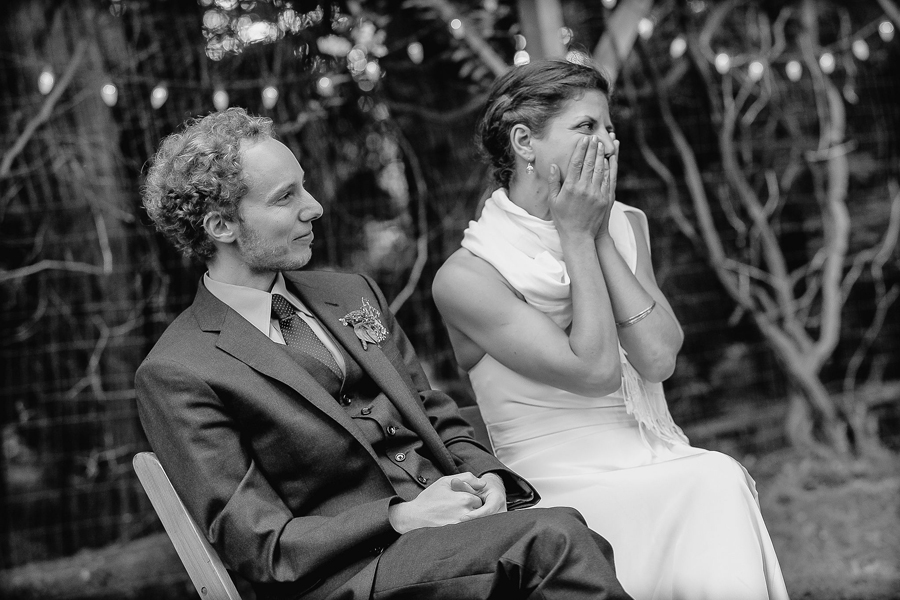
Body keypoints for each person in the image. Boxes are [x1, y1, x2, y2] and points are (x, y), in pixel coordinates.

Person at [135, 107, 631, 600]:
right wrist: (403, 516)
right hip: (350, 576)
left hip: (457, 537)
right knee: (555, 538)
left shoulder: (351, 293)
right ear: (222, 225)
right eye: (286, 198)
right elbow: (257, 545)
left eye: (303, 186)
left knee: (575, 530)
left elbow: (435, 411)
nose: (314, 208)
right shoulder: (179, 369)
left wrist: (488, 475)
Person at [432, 59, 790, 600]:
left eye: (609, 127)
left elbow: (657, 359)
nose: (608, 143)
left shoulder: (626, 223)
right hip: (556, 479)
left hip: (647, 448)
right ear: (525, 142)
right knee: (709, 480)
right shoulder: (466, 277)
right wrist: (576, 234)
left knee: (713, 476)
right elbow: (596, 371)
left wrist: (597, 233)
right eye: (586, 128)